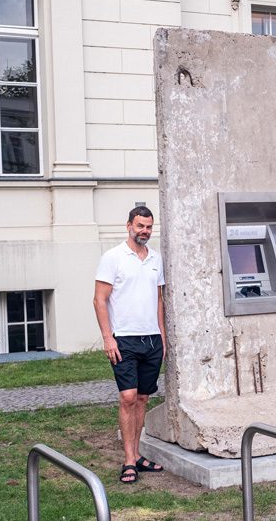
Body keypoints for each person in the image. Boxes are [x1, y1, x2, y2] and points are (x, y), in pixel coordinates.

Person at [93, 206, 167, 483]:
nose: (144, 231)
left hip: (152, 339)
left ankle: (137, 455)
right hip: (123, 339)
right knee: (127, 397)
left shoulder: (156, 259)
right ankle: (128, 461)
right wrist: (107, 337)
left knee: (143, 398)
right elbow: (99, 300)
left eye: (148, 227)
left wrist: (162, 337)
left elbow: (158, 300)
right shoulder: (113, 257)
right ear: (129, 226)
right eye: (140, 226)